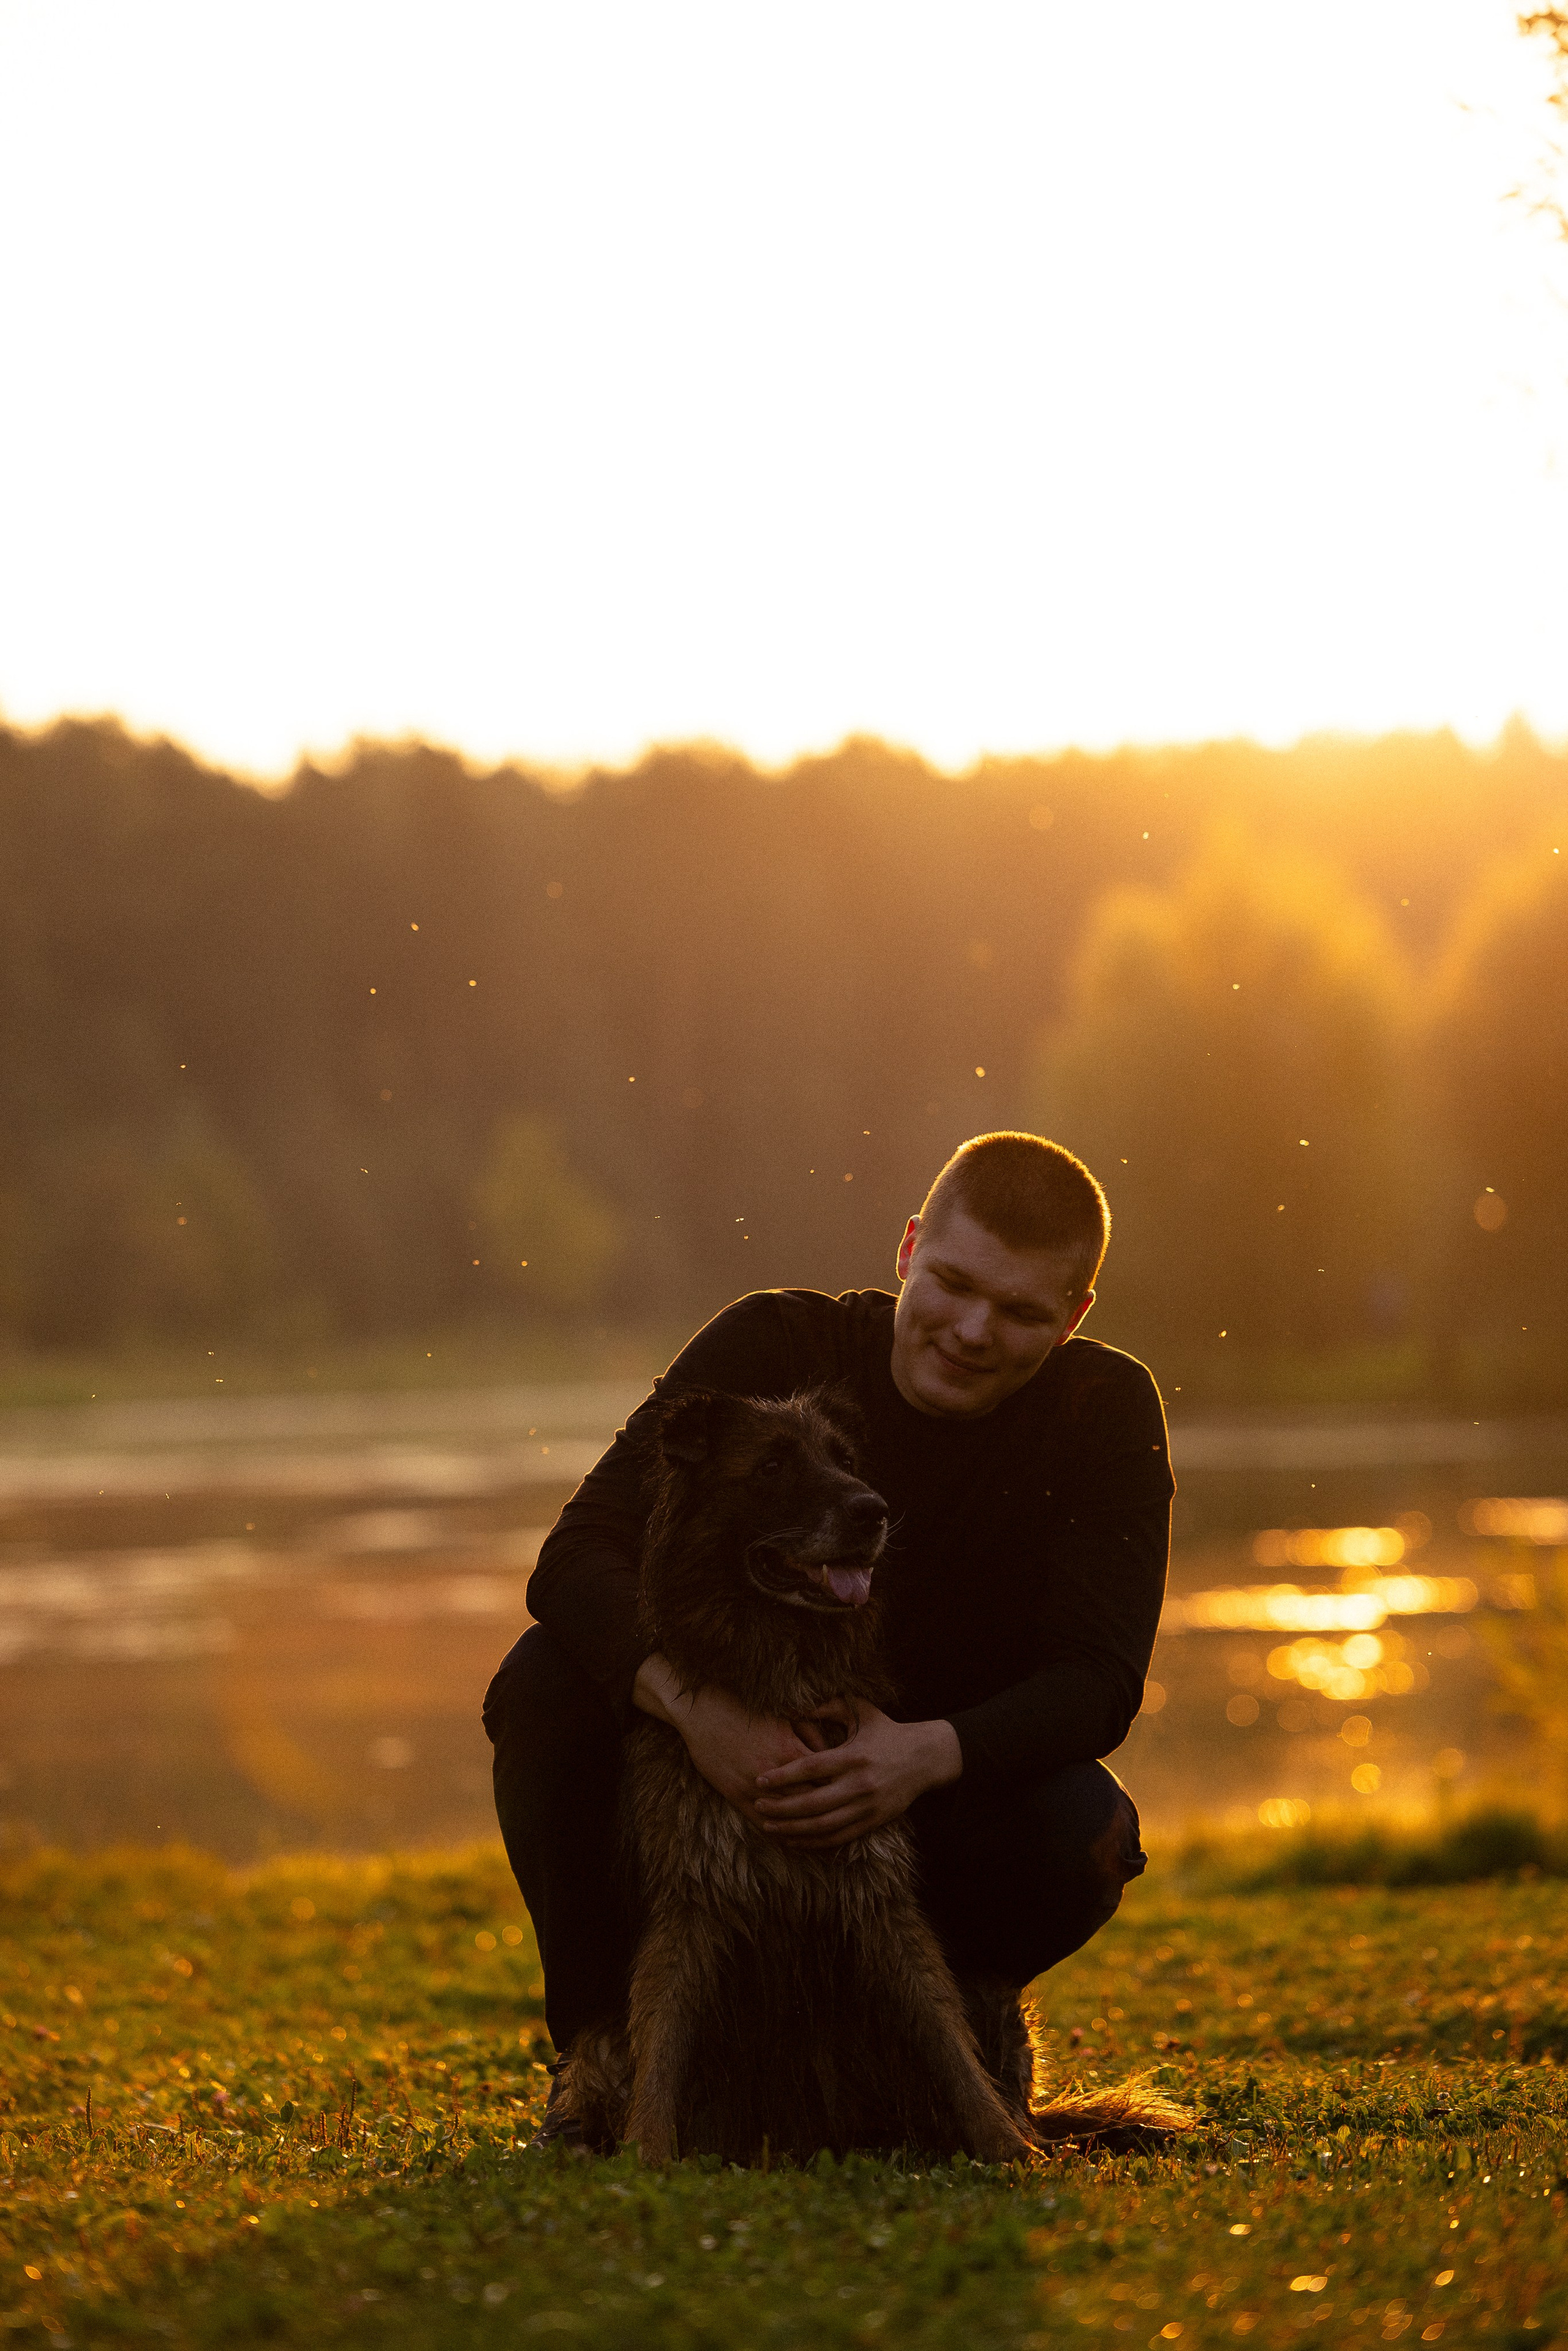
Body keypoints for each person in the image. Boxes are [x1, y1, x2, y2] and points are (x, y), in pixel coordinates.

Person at [483, 1130, 1174, 2118]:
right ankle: (596, 2061)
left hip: (931, 1789)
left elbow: (1099, 1678)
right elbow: (578, 1553)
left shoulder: (1105, 1410)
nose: (974, 1329)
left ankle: (963, 2034)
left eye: (1021, 1311)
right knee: (544, 1682)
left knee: (1089, 1828)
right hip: (718, 1786)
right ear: (906, 1251)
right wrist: (703, 1717)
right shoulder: (773, 1345)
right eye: (953, 1283)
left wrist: (923, 1755)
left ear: (1075, 1314)